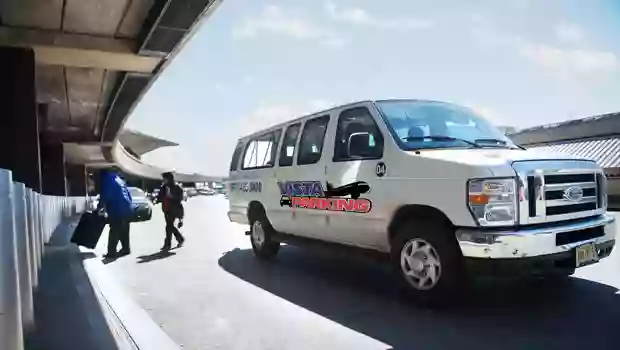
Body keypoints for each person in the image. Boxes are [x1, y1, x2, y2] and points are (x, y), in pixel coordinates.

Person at [97, 169, 134, 258]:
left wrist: (100, 207)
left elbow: (106, 195)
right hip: (127, 208)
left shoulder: (107, 181)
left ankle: (111, 252)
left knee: (114, 231)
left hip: (117, 209)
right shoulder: (119, 180)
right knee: (124, 230)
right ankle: (126, 249)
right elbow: (128, 195)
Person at [156, 172, 185, 251]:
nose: (163, 180)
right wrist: (158, 199)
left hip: (174, 209)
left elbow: (180, 198)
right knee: (170, 226)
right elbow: (160, 197)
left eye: (164, 179)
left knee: (169, 226)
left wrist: (171, 196)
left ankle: (168, 244)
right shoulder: (163, 187)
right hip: (166, 209)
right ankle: (180, 239)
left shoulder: (177, 187)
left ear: (169, 179)